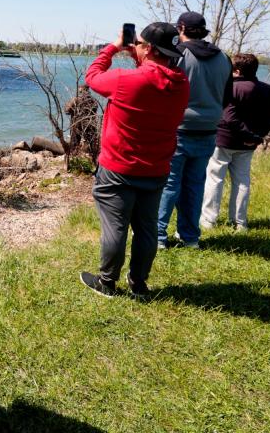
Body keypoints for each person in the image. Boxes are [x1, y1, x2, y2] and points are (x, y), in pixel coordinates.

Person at [79, 23, 189, 299]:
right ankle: (138, 284)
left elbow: (92, 76)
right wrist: (138, 54)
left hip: (119, 167)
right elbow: (155, 74)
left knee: (115, 226)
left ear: (149, 48)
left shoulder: (125, 81)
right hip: (156, 168)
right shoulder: (181, 85)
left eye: (140, 43)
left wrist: (114, 48)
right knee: (146, 229)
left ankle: (107, 282)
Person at [156, 11, 231, 249]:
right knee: (195, 183)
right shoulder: (223, 57)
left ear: (180, 28)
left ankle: (158, 237)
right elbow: (228, 95)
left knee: (170, 183)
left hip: (179, 128)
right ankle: (190, 237)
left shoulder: (179, 55)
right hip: (209, 129)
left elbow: (163, 88)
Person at [199, 53, 270, 232]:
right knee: (242, 181)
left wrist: (250, 136)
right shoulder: (268, 90)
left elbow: (229, 118)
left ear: (236, 70)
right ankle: (239, 222)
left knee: (215, 180)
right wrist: (257, 136)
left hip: (223, 141)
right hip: (247, 145)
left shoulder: (230, 88)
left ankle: (208, 221)